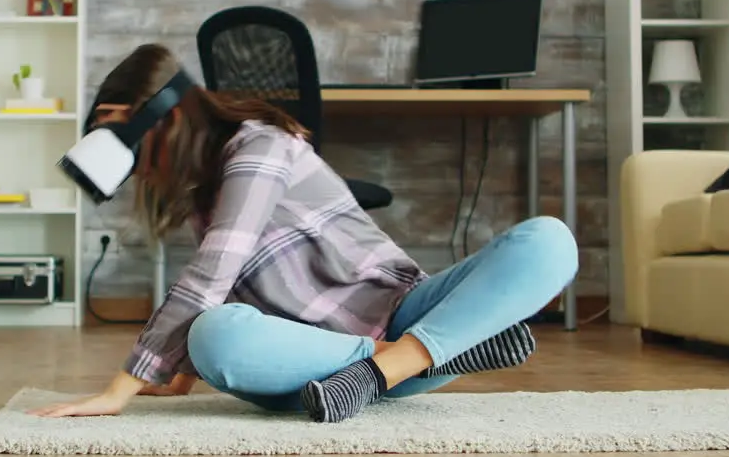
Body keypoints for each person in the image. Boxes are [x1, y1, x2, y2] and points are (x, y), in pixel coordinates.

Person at [30, 44, 578, 423]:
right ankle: (426, 356)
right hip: (311, 361)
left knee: (549, 239)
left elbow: (211, 275)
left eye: (120, 133)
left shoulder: (259, 146)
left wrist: (119, 390)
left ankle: (387, 369)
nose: (133, 170)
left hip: (399, 309)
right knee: (215, 336)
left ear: (160, 118)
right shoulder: (203, 195)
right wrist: (182, 374)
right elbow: (228, 293)